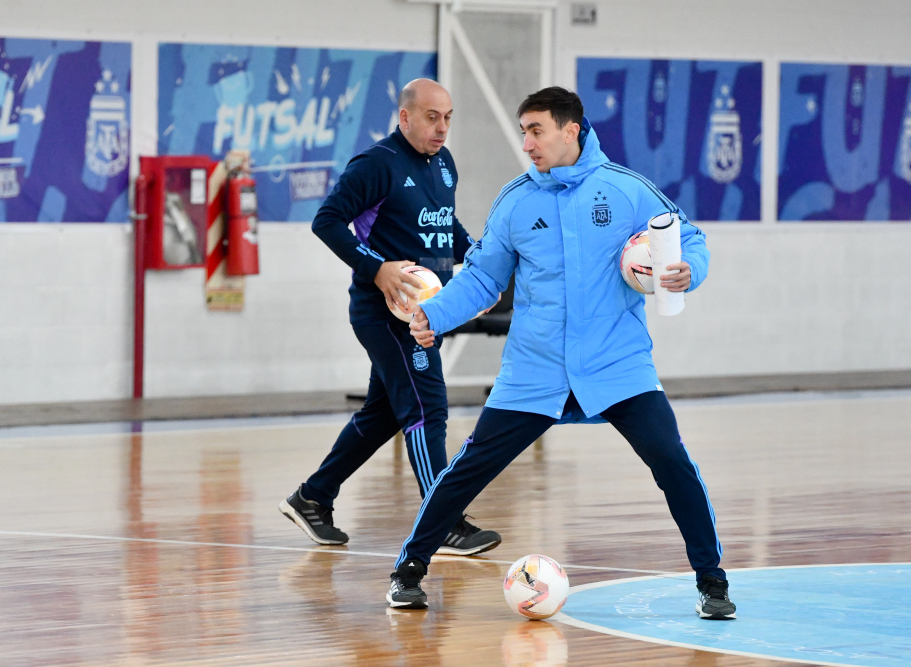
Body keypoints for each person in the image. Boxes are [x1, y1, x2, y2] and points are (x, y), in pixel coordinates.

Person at [385, 87, 736, 621]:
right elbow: (483, 278)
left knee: (673, 463)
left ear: (571, 130)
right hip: (534, 368)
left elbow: (689, 238)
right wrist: (435, 315)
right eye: (523, 130)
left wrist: (689, 270)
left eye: (536, 130)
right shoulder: (516, 201)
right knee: (469, 470)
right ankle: (407, 573)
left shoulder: (626, 190)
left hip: (618, 366)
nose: (526, 142)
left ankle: (713, 583)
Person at [278, 78, 501, 557]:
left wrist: (481, 260)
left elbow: (446, 225)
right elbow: (327, 220)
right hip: (386, 315)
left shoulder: (443, 165)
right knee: (425, 408)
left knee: (383, 414)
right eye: (430, 117)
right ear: (404, 117)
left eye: (448, 118)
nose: (442, 127)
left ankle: (312, 498)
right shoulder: (378, 164)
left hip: (428, 313)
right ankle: (442, 521)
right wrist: (375, 268)